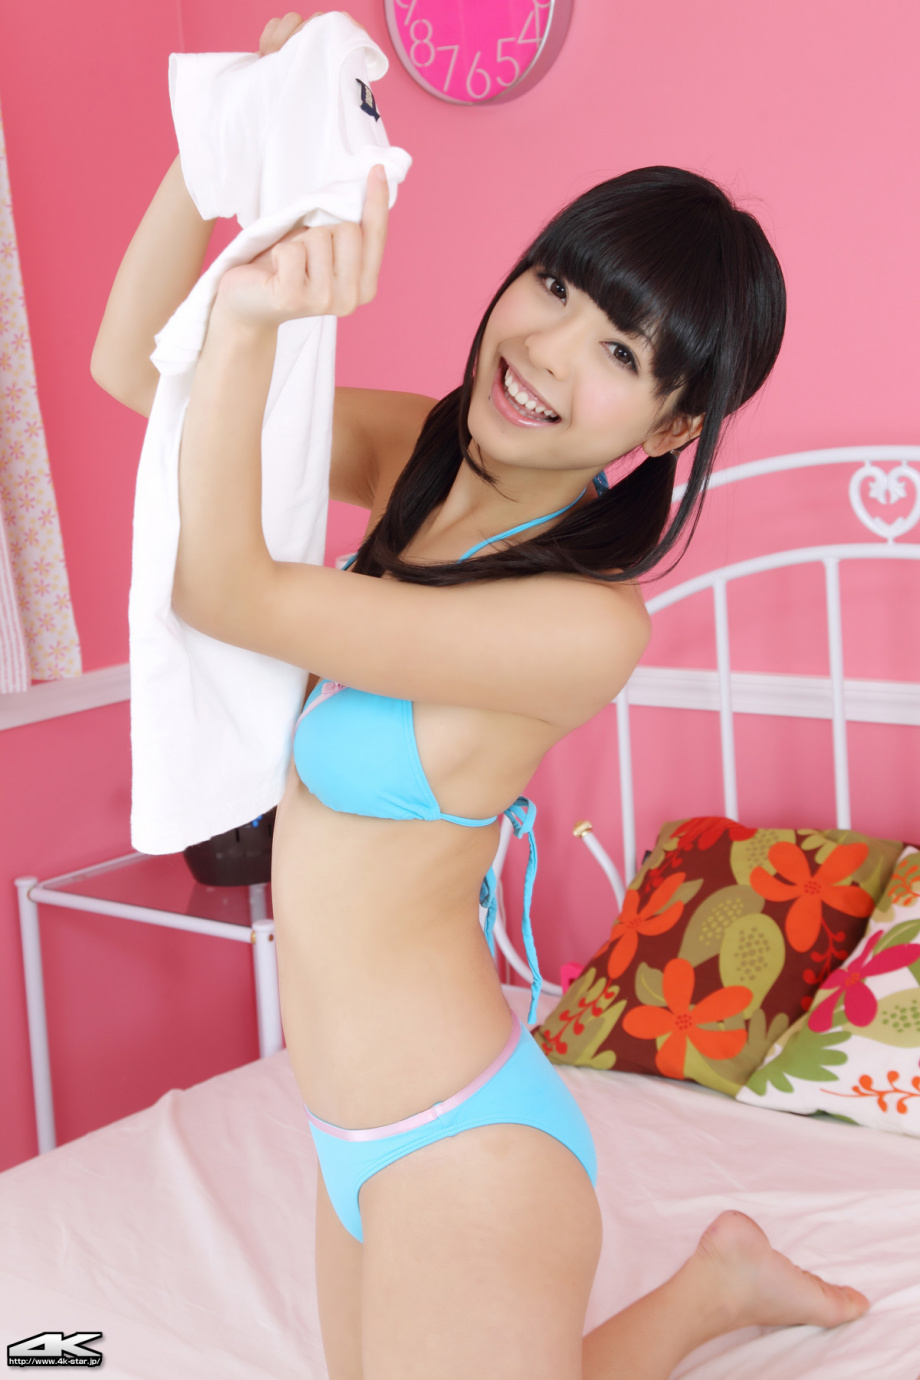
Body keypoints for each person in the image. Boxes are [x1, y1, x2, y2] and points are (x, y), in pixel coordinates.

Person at [92, 12, 870, 1378]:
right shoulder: (426, 457)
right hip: (344, 1132)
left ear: (671, 428)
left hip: (465, 1148)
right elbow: (134, 375)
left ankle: (717, 1283)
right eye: (557, 285)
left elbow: (225, 589)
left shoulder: (585, 625)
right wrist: (229, 151)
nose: (550, 348)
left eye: (620, 353)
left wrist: (259, 316)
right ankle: (716, 1284)